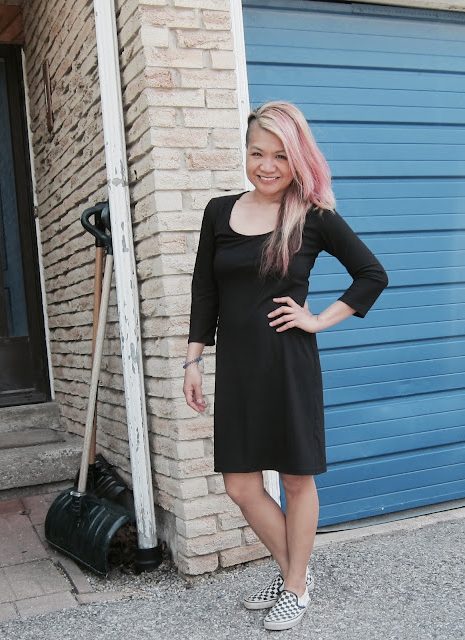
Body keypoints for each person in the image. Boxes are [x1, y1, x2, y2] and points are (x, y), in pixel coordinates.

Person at [183, 101, 388, 631]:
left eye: (280, 155)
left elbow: (371, 274)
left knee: (296, 481)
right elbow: (205, 290)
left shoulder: (313, 216)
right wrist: (193, 359)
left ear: (298, 159)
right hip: (237, 367)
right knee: (240, 484)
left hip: (288, 364)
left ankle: (294, 586)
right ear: (245, 153)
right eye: (257, 153)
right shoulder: (218, 211)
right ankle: (294, 571)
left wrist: (316, 320)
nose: (267, 166)